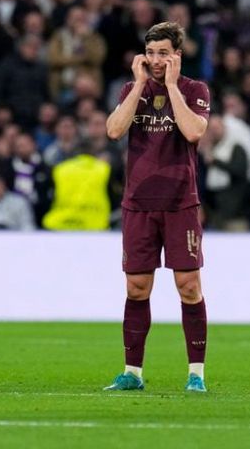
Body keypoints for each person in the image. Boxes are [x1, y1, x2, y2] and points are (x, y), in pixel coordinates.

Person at [104, 22, 211, 392]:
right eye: (150, 53)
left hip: (180, 202)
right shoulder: (131, 89)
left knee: (188, 286)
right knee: (137, 287)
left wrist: (171, 87)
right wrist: (137, 86)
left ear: (177, 55)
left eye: (163, 53)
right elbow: (114, 130)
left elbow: (194, 131)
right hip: (138, 203)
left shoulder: (194, 89)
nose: (155, 60)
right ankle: (132, 373)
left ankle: (196, 374)